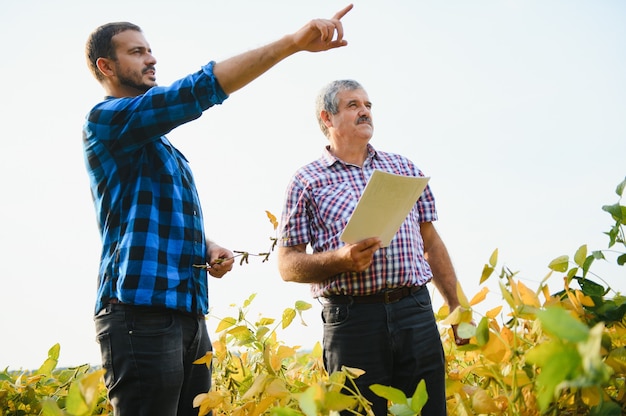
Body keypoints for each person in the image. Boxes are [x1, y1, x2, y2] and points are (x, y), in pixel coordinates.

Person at [82, 6, 352, 415]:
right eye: (137, 52)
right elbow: (194, 91)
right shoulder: (105, 121)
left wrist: (206, 246)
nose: (152, 58)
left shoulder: (160, 146)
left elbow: (149, 216)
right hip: (139, 310)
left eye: (150, 50)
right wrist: (291, 44)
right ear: (106, 65)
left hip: (187, 312)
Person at [276, 79, 467, 415]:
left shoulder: (404, 168)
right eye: (353, 105)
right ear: (327, 118)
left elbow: (431, 243)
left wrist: (455, 305)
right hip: (352, 320)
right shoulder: (306, 180)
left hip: (415, 313)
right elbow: (287, 265)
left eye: (367, 105)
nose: (364, 111)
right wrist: (340, 259)